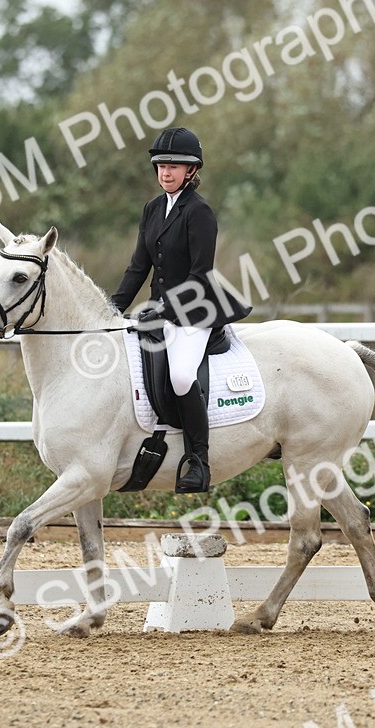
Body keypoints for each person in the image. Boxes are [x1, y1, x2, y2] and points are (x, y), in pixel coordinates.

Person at [111, 127, 252, 493]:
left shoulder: (199, 212)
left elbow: (199, 274)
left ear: (191, 171)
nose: (166, 173)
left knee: (181, 376)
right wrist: (111, 309)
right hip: (158, 309)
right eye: (161, 166)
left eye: (174, 167)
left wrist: (165, 311)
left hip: (195, 309)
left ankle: (198, 462)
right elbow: (138, 266)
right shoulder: (153, 208)